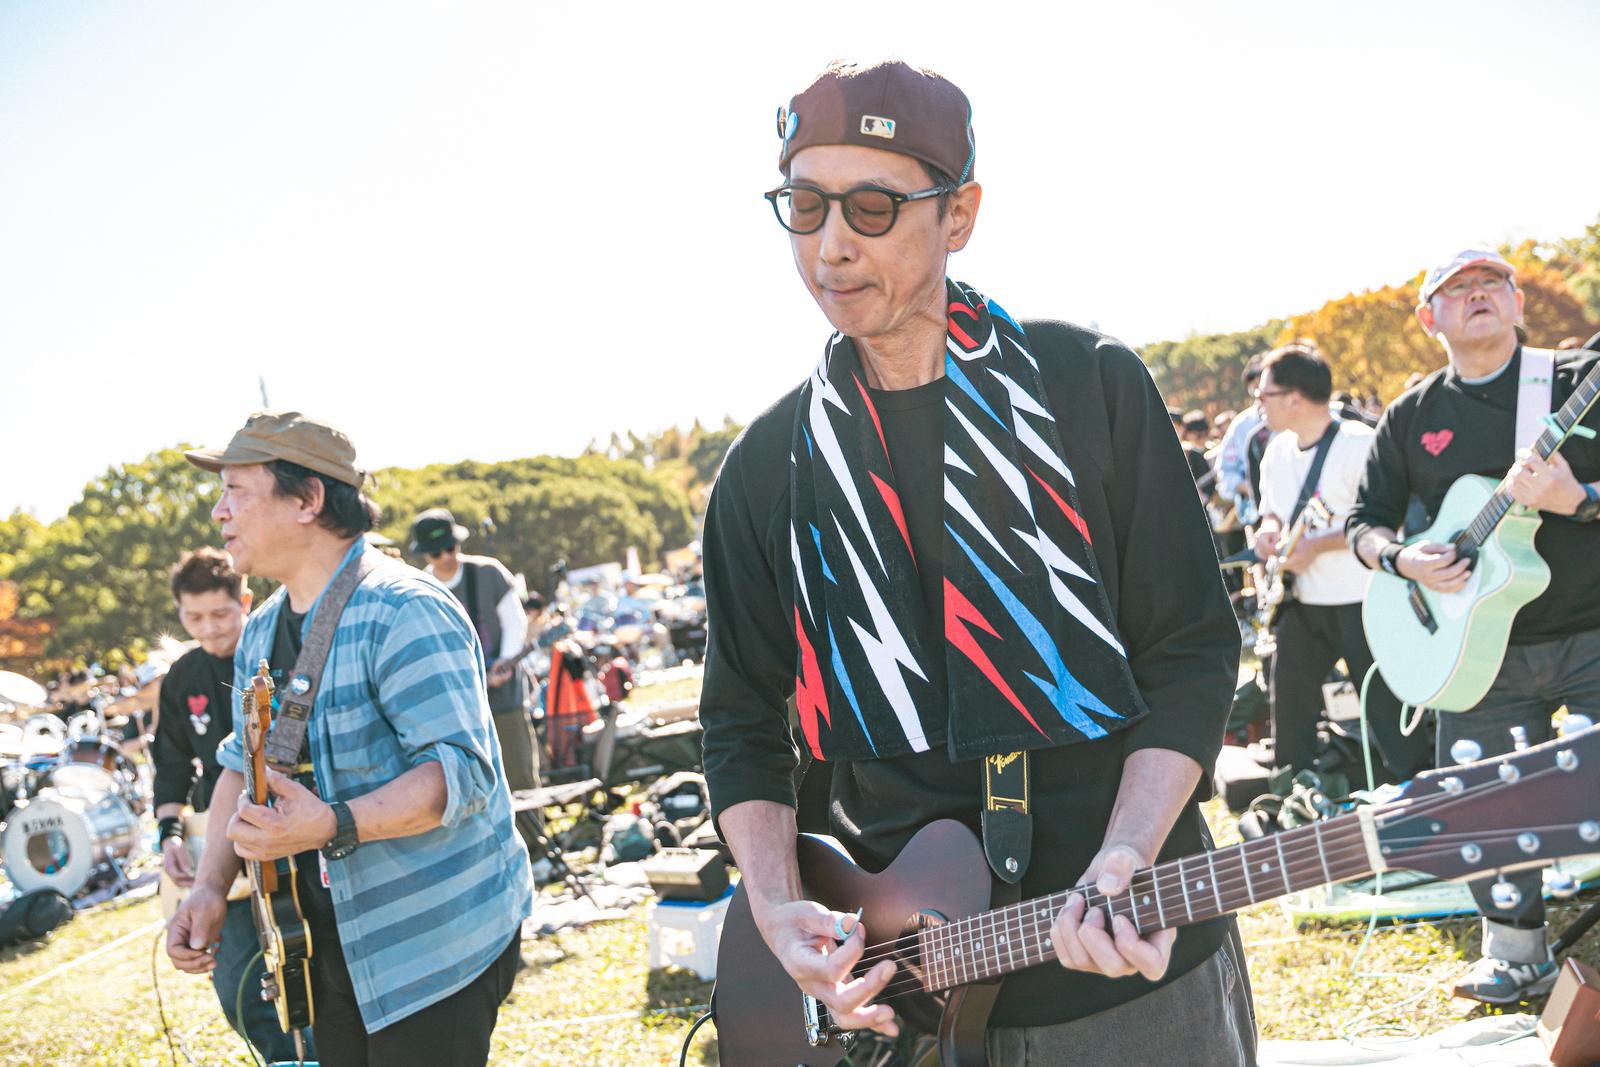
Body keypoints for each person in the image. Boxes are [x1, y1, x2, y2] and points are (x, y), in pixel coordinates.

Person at [700, 60, 1254, 1064]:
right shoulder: (765, 468)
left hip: (1132, 974)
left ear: (959, 214)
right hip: (900, 996)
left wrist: (1129, 849)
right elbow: (742, 720)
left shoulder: (1087, 384)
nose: (831, 244)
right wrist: (777, 907)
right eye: (805, 206)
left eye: (872, 207)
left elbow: (1189, 649)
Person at [165, 411, 531, 1067]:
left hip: (432, 948)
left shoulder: (405, 608)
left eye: (235, 490)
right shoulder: (260, 630)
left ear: (307, 498)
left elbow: (462, 773)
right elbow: (237, 767)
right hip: (325, 949)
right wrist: (210, 887)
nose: (219, 512)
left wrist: (331, 822)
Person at [1347, 249, 1600, 1004]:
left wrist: (1579, 498)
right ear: (1430, 318)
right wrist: (1403, 560)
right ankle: (1517, 953)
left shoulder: (1577, 381)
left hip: (1593, 630)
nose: (1478, 293)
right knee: (1485, 800)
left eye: (1493, 282)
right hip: (1475, 653)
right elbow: (1364, 523)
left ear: (1518, 302)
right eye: (1457, 288)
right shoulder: (1412, 413)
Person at [154, 547, 312, 1062]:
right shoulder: (182, 676)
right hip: (220, 843)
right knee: (238, 984)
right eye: (194, 617)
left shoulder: (279, 654)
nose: (210, 628)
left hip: (292, 832)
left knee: (309, 974)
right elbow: (171, 764)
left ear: (244, 601)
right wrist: (169, 835)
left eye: (220, 614)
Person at [1250, 344, 1430, 787]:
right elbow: (1272, 511)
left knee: (1385, 707)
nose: (1258, 404)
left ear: (1294, 398)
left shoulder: (1360, 443)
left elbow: (1384, 523)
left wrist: (1318, 546)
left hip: (1362, 599)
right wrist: (1267, 532)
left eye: (1264, 395)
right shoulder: (1275, 451)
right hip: (1301, 600)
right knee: (1289, 705)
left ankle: (1417, 789)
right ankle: (1292, 791)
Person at [408, 508, 539, 791]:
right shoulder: (419, 588)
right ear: (425, 554)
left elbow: (515, 622)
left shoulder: (488, 572)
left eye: (450, 547)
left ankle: (531, 822)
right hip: (454, 705)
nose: (446, 556)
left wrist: (505, 661)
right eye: (436, 552)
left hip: (503, 695)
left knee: (519, 773)